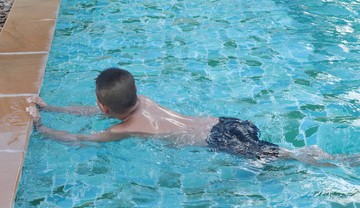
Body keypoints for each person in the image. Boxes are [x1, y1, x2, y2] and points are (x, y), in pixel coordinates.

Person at [26, 68, 355, 166]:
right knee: (276, 151)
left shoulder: (121, 130)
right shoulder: (143, 101)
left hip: (220, 140)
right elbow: (90, 112)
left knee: (293, 157)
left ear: (105, 109)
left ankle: (342, 160)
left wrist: (41, 127)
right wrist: (51, 107)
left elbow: (81, 138)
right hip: (225, 123)